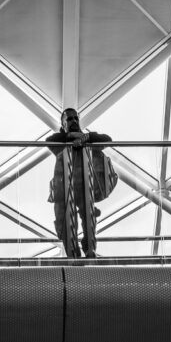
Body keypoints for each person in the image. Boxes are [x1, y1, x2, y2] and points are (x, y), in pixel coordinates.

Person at [47, 108, 111, 258]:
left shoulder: (88, 138)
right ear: (63, 124)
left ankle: (89, 249)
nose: (74, 121)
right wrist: (71, 137)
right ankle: (72, 253)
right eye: (70, 119)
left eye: (76, 118)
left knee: (89, 216)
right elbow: (49, 142)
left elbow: (107, 139)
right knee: (62, 220)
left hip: (84, 185)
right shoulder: (59, 139)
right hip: (63, 187)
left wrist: (84, 138)